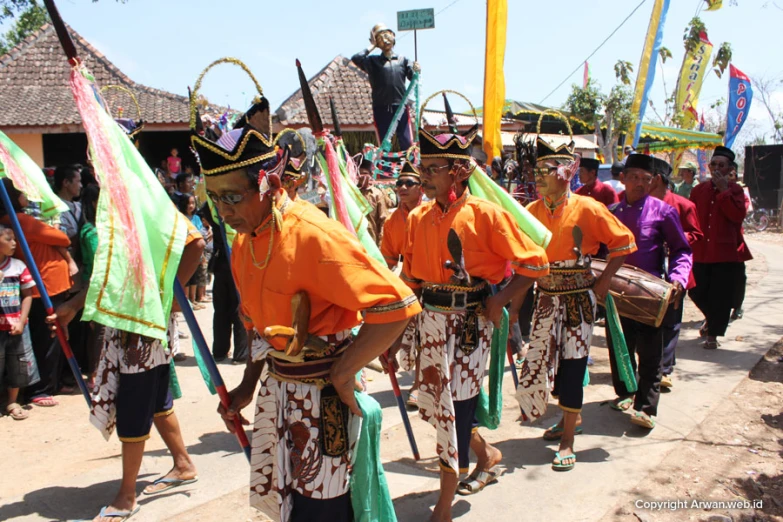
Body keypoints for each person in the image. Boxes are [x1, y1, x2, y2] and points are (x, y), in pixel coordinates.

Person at [194, 85, 421, 521]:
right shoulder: (243, 241)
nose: (222, 210)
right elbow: (261, 328)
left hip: (322, 401)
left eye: (233, 197)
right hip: (278, 393)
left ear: (270, 183)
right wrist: (247, 385)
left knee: (326, 512)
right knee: (289, 509)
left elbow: (396, 307)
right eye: (214, 197)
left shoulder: (313, 233)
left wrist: (343, 369)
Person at [401, 99, 549, 522]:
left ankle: (444, 504)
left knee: (456, 410)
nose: (424, 177)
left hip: (470, 327)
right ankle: (488, 456)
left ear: (459, 171)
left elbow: (535, 263)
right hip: (430, 323)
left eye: (432, 169)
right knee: (435, 406)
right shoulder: (417, 218)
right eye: (423, 168)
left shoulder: (487, 215)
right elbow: (411, 279)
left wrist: (501, 299)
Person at [516, 141, 636, 472]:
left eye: (545, 172)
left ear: (565, 174)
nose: (537, 177)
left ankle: (568, 440)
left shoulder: (588, 208)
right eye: (536, 171)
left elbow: (622, 244)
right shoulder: (531, 212)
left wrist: (604, 280)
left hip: (578, 302)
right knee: (546, 364)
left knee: (572, 366)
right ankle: (571, 419)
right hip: (544, 299)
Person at [606, 154, 692, 429]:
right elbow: (597, 250)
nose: (640, 184)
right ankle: (625, 393)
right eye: (634, 178)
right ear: (623, 179)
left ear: (653, 181)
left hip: (650, 295)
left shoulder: (663, 211)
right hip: (615, 293)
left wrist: (678, 278)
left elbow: (681, 249)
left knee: (651, 352)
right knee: (620, 346)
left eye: (646, 179)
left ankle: (646, 407)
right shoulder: (611, 213)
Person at [0, 178, 73, 407]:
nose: (26, 195)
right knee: (49, 338)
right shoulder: (21, 220)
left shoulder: (11, 221)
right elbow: (63, 238)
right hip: (45, 284)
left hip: (42, 283)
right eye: (21, 192)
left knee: (49, 337)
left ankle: (51, 382)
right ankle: (41, 387)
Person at [648, 157, 703, 389]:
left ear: (658, 179)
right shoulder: (639, 204)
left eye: (645, 177)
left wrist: (672, 240)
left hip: (674, 273)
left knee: (670, 322)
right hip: (647, 273)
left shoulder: (683, 205)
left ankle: (665, 370)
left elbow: (696, 235)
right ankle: (656, 365)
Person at [689, 146, 749, 349]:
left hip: (724, 253)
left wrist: (724, 191)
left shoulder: (736, 191)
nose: (716, 168)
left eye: (721, 165)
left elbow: (737, 216)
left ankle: (713, 335)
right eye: (713, 164)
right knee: (695, 291)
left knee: (720, 296)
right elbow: (691, 219)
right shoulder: (698, 190)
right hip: (700, 251)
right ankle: (711, 318)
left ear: (729, 168)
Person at [380, 153, 423, 407]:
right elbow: (389, 260)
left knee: (424, 338)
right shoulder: (392, 220)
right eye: (399, 184)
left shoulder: (430, 213)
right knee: (397, 332)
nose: (403, 188)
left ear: (420, 188)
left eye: (409, 183)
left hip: (432, 285)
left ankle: (418, 385)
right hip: (407, 287)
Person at [351, 23, 420, 151]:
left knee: (406, 142)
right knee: (384, 143)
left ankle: (410, 168)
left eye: (387, 36)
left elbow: (413, 77)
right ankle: (385, 169)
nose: (385, 40)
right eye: (380, 38)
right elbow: (356, 58)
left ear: (393, 36)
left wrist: (416, 70)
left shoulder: (403, 60)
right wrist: (372, 45)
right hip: (381, 107)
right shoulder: (372, 61)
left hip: (400, 106)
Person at [0, 225, 38, 420]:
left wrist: (22, 320)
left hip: (15, 326)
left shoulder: (17, 266)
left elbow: (28, 295)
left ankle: (12, 401)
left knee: (17, 364)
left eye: (14, 239)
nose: (14, 243)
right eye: (9, 239)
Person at [78, 184, 106, 390]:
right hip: (96, 284)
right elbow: (100, 258)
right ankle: (94, 374)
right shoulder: (92, 232)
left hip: (101, 284)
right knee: (99, 330)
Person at [728, 161, 750, 320]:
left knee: (738, 276)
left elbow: (742, 212)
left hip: (735, 242)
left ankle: (737, 306)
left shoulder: (741, 193)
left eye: (731, 174)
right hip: (715, 244)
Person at [357, 158, 393, 246]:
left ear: (371, 175)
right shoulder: (352, 192)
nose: (362, 176)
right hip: (356, 238)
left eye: (365, 173)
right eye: (359, 173)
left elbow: (384, 219)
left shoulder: (377, 194)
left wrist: (382, 241)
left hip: (372, 241)